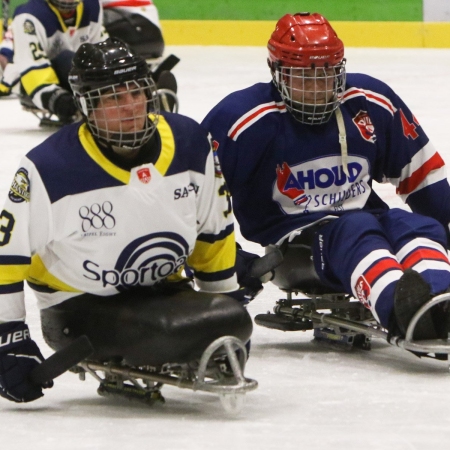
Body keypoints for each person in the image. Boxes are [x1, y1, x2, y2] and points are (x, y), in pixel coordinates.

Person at [0, 37, 254, 403]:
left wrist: (225, 303)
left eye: (136, 93)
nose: (131, 107)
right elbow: (8, 255)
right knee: (171, 332)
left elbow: (214, 234)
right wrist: (10, 339)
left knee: (232, 320)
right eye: (114, 98)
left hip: (165, 290)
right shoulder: (50, 168)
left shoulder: (191, 143)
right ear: (87, 106)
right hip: (79, 301)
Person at [202, 12, 450, 343]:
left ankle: (440, 298)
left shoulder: (368, 100)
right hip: (293, 246)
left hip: (366, 220)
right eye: (304, 77)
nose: (319, 88)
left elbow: (421, 173)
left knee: (418, 227)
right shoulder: (241, 120)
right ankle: (405, 313)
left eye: (328, 75)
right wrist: (232, 262)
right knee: (358, 230)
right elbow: (193, 201)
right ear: (277, 73)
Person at [0, 0, 107, 123]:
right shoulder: (29, 16)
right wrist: (56, 99)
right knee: (67, 59)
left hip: (75, 78)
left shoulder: (92, 5)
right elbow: (32, 68)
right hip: (31, 81)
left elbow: (99, 50)